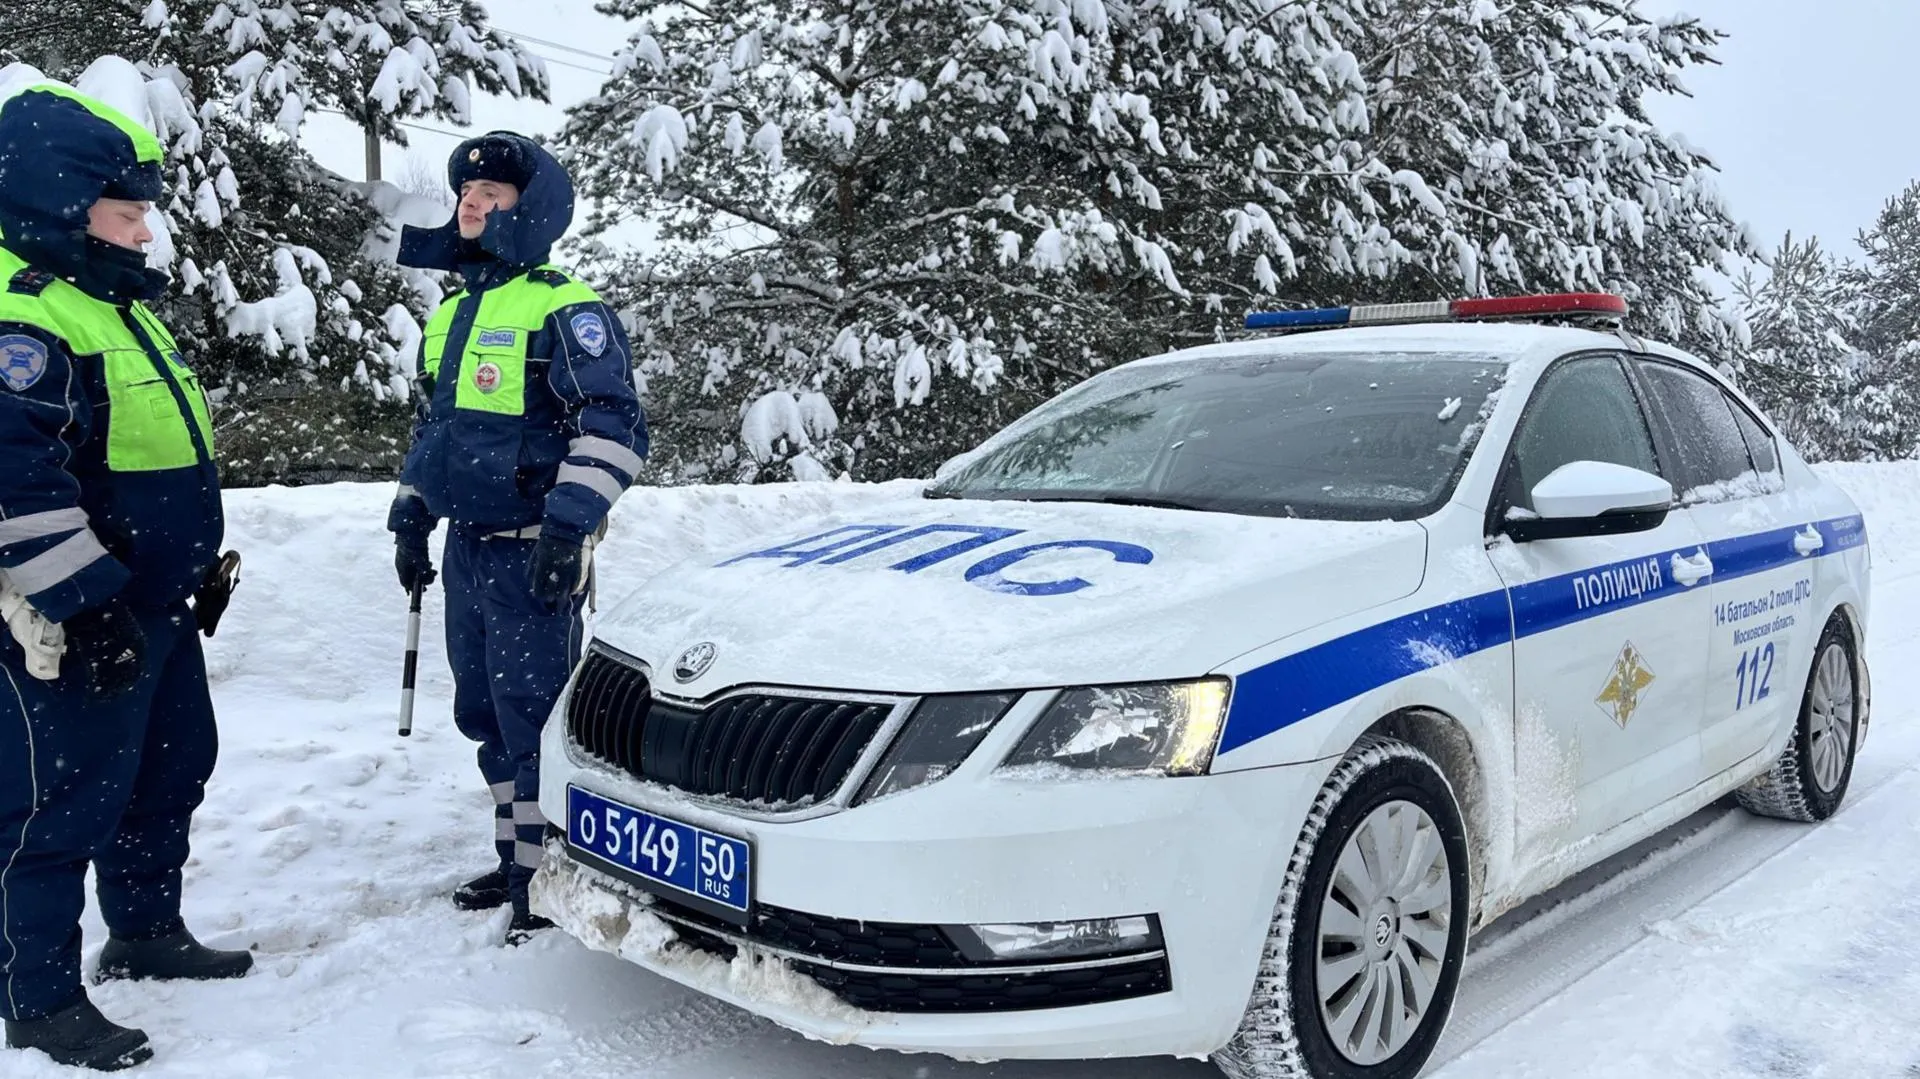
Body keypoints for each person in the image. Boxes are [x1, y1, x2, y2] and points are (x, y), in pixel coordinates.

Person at [0, 84, 251, 1072]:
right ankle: (37, 995)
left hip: (155, 608)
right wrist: (85, 603)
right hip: (76, 618)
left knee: (165, 773)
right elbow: (17, 483)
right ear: (66, 205)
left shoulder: (112, 305)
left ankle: (145, 929)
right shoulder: (26, 323)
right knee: (55, 803)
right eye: (128, 209)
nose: (145, 228)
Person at [387, 130, 646, 945]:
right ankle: (516, 855)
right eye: (466, 190)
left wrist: (568, 530)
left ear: (528, 209)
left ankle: (550, 874)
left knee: (535, 715)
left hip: (534, 545)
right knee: (485, 714)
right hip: (468, 545)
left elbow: (613, 428)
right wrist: (412, 506)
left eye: (492, 193)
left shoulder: (564, 305)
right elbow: (441, 429)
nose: (471, 201)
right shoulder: (455, 307)